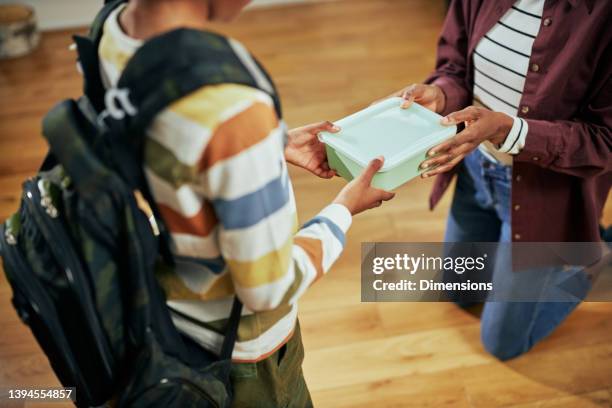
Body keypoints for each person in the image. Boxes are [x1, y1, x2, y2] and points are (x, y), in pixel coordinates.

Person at [98, 0, 395, 406]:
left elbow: (168, 140)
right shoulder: (232, 107)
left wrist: (266, 145)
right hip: (240, 348)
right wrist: (342, 211)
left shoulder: (115, 28)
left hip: (166, 301)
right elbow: (267, 288)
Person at [385, 0, 611, 360]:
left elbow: (604, 141)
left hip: (545, 195)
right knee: (460, 290)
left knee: (502, 343)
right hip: (477, 169)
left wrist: (511, 130)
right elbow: (455, 66)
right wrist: (442, 93)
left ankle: (597, 253)